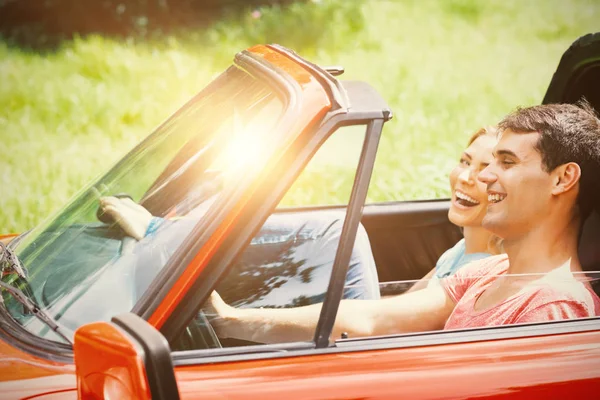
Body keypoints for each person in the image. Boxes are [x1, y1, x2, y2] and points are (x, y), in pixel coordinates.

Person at [204, 101, 600, 344]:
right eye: (487, 161)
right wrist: (229, 321)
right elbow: (372, 318)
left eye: (507, 162)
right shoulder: (489, 271)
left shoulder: (556, 313)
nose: (483, 177)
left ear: (563, 179)